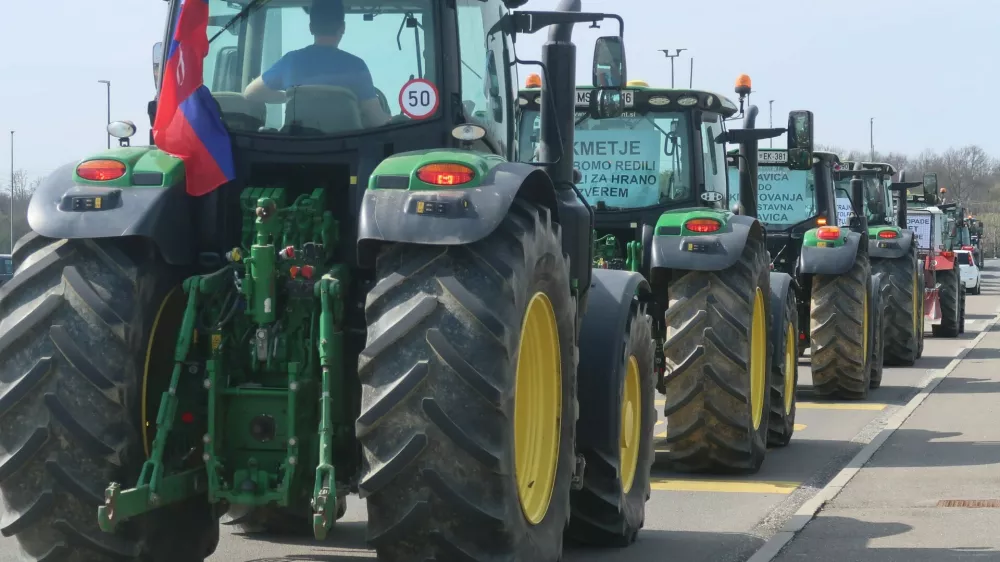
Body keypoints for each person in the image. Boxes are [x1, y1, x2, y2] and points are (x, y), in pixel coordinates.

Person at [243, 0, 389, 127]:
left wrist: (289, 97)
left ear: (311, 28)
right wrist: (400, 121)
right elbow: (376, 119)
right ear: (342, 28)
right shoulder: (357, 67)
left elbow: (250, 94)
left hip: (297, 150)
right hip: (347, 151)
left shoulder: (291, 61)